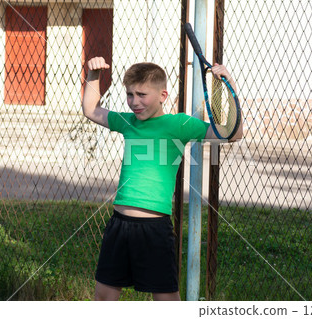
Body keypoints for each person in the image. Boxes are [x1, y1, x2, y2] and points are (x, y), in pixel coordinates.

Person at [82, 56, 242, 301]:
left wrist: (229, 85)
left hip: (154, 229)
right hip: (119, 225)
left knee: (166, 301)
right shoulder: (128, 122)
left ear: (162, 96)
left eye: (142, 95)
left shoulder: (179, 124)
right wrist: (93, 75)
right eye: (130, 94)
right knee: (104, 298)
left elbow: (232, 134)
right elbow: (91, 109)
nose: (135, 102)